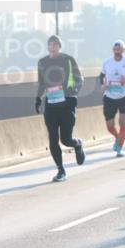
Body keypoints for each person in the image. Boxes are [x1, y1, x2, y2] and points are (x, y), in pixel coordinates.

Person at [35, 35, 86, 181]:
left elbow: (79, 80)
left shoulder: (68, 59)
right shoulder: (42, 62)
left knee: (66, 139)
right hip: (51, 105)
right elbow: (41, 83)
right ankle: (60, 170)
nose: (53, 47)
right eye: (50, 44)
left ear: (59, 46)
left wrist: (72, 93)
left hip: (67, 103)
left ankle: (77, 144)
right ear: (47, 46)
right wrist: (38, 99)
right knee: (52, 139)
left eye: (55, 44)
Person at [99, 40, 125, 156]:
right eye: (115, 49)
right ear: (113, 50)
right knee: (109, 126)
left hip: (124, 96)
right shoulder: (107, 62)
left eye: (119, 49)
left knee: (122, 122)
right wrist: (103, 84)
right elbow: (101, 76)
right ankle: (118, 137)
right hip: (109, 96)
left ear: (123, 50)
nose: (117, 51)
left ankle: (119, 148)